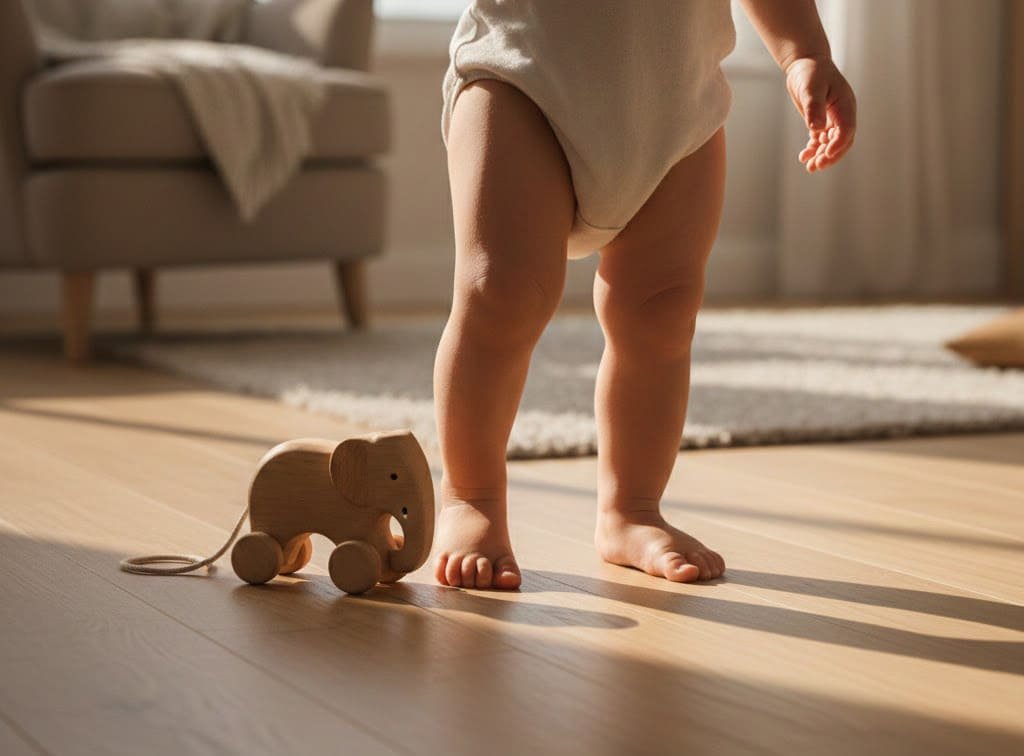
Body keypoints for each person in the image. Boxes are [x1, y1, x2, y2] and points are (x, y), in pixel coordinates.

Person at [432, 0, 857, 589]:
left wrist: (803, 52)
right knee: (502, 293)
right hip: (522, 73)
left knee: (661, 315)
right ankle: (470, 496)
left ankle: (630, 509)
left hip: (677, 106)